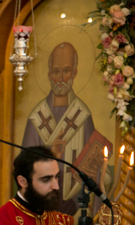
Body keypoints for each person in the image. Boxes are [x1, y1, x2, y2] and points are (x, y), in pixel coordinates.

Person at [22, 43, 97, 215]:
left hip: (77, 206)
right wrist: (52, 155)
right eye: (56, 72)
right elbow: (24, 166)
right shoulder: (37, 117)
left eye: (66, 70)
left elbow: (95, 166)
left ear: (75, 72)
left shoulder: (83, 116)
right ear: (49, 75)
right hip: (41, 205)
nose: (61, 78)